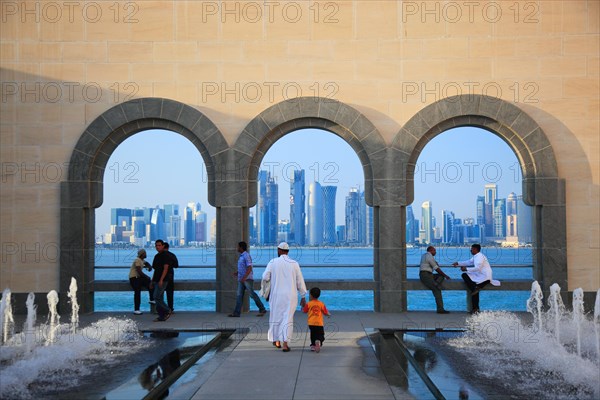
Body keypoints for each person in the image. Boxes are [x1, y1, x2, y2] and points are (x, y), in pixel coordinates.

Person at [262, 242, 307, 352]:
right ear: (288, 251)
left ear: (279, 250)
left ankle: (276, 341)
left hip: (276, 295)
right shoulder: (294, 263)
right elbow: (299, 281)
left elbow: (265, 276)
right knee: (287, 319)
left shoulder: (273, 262)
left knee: (275, 317)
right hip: (290, 296)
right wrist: (303, 296)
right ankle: (285, 344)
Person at [452, 243, 500, 314]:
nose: (470, 250)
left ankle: (475, 306)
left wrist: (466, 269)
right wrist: (458, 263)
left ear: (475, 249)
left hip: (484, 276)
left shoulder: (479, 257)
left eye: (471, 249)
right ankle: (476, 308)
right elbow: (469, 262)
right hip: (480, 275)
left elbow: (478, 268)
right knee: (474, 290)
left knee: (464, 275)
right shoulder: (476, 256)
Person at [229, 241, 267, 317]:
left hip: (247, 279)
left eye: (238, 246)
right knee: (239, 296)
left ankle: (262, 309)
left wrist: (244, 278)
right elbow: (243, 267)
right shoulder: (242, 256)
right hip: (241, 279)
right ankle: (236, 313)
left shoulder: (246, 256)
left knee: (252, 294)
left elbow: (249, 268)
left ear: (241, 247)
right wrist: (237, 273)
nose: (237, 248)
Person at [419, 246, 451, 314]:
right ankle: (440, 309)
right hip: (426, 275)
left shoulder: (424, 255)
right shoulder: (429, 256)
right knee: (437, 290)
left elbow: (431, 263)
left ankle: (436, 284)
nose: (435, 252)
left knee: (440, 276)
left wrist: (435, 262)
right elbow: (436, 268)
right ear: (430, 251)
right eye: (434, 251)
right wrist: (446, 275)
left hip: (428, 274)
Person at [150, 239, 174, 321]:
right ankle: (161, 316)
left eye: (159, 245)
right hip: (156, 279)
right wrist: (152, 280)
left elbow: (165, 269)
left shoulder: (166, 255)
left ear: (163, 246)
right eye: (156, 245)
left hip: (163, 280)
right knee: (159, 298)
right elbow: (155, 270)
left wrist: (161, 280)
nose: (157, 247)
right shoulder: (156, 256)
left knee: (156, 297)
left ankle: (168, 310)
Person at [302, 287, 331, 353]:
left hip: (311, 323)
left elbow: (304, 311)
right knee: (321, 335)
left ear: (311, 295)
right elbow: (325, 312)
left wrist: (303, 306)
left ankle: (313, 345)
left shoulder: (309, 304)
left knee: (313, 334)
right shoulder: (321, 304)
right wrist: (328, 315)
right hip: (319, 323)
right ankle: (319, 342)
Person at [129, 248, 153, 315]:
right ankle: (136, 309)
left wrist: (149, 267)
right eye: (145, 253)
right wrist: (147, 277)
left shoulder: (141, 260)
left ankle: (152, 299)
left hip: (139, 278)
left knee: (150, 284)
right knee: (137, 292)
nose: (146, 254)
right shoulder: (137, 260)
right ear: (142, 254)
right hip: (134, 278)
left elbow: (146, 263)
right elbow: (139, 271)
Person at [164, 242, 179, 313]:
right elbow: (176, 265)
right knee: (170, 293)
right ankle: (170, 308)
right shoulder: (172, 255)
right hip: (170, 275)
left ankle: (162, 308)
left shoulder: (160, 255)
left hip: (161, 276)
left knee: (159, 294)